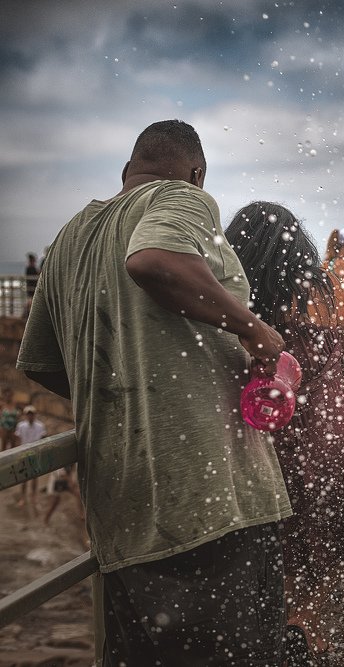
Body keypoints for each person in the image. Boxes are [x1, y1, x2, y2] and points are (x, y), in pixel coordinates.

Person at [16, 120, 292, 665]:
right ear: (197, 173)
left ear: (126, 172)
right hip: (208, 503)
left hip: (122, 515)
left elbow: (42, 363)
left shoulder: (71, 233)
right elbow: (153, 260)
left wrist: (131, 401)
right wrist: (257, 333)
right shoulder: (180, 197)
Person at [226, 201, 344, 653]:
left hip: (270, 435)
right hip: (334, 433)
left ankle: (273, 632)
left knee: (277, 546)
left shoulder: (238, 294)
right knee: (323, 546)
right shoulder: (330, 289)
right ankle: (307, 632)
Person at [14, 405, 45, 514]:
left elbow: (41, 440)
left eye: (32, 414)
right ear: (26, 415)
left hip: (35, 454)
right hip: (24, 453)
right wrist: (18, 454)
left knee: (34, 476)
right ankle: (23, 497)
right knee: (24, 477)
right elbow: (18, 440)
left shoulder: (40, 426)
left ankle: (34, 497)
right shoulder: (21, 426)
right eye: (28, 414)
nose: (30, 416)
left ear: (35, 414)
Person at [0, 387, 17, 452]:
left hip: (13, 429)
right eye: (6, 395)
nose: (8, 397)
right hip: (4, 429)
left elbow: (17, 416)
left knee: (13, 447)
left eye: (9, 395)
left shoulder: (15, 405)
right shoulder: (1, 405)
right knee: (3, 446)